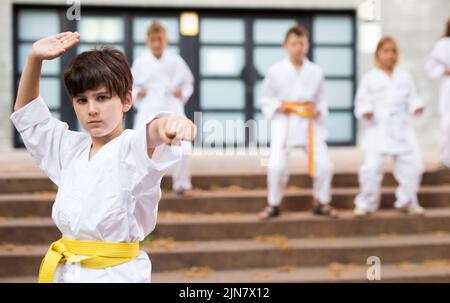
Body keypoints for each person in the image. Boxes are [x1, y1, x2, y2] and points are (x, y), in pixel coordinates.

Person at [10, 32, 197, 282]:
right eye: (82, 100)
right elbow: (29, 115)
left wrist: (172, 124)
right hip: (67, 271)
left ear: (126, 100)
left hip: (116, 274)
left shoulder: (130, 147)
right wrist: (34, 58)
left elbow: (153, 133)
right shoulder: (69, 148)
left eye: (102, 97)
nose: (92, 110)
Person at [258, 25, 338, 220]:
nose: (298, 48)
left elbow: (322, 99)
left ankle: (321, 201)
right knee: (276, 166)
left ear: (307, 45)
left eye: (302, 43)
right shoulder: (276, 70)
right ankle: (273, 204)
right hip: (285, 122)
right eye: (294, 43)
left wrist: (319, 110)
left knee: (325, 165)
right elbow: (265, 98)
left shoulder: (316, 71)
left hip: (310, 124)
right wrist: (278, 105)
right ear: (286, 45)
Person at [353, 36, 426, 217]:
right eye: (386, 51)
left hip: (401, 127)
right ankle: (367, 203)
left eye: (393, 51)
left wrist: (417, 107)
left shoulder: (404, 77)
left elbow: (413, 98)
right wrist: (367, 111)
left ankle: (407, 201)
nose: (390, 55)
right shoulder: (370, 78)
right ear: (378, 54)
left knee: (414, 167)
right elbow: (361, 103)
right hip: (378, 127)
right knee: (370, 168)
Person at [132, 22, 195, 196]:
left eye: (160, 40)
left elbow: (188, 83)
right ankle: (142, 187)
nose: (157, 44)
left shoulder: (176, 61)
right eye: (153, 40)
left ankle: (182, 184)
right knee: (142, 147)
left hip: (171, 105)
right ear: (148, 41)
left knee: (183, 146)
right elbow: (130, 87)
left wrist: (180, 91)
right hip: (149, 107)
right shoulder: (140, 62)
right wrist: (138, 93)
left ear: (165, 41)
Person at [425, 17, 450, 168]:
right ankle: (445, 158)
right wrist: (445, 71)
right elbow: (430, 66)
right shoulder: (443, 44)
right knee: (448, 125)